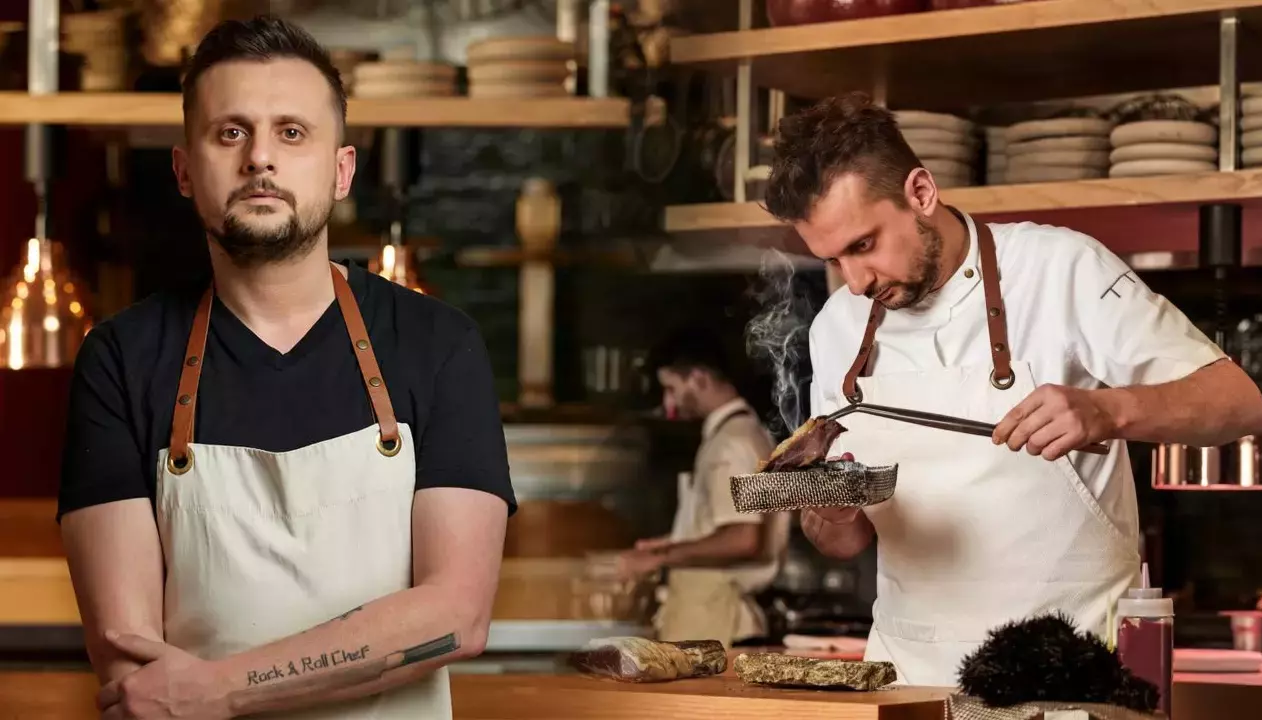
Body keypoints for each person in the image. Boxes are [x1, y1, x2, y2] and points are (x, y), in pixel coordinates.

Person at [56, 16, 515, 719]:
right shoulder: (120, 358)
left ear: (341, 170)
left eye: (291, 133)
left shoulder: (437, 344)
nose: (259, 159)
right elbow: (128, 659)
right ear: (185, 170)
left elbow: (456, 616)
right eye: (230, 132)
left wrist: (222, 689)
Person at [761, 92, 1262, 687]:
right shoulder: (838, 327)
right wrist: (829, 511)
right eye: (833, 259)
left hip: (1071, 675)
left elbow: (1240, 403)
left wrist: (1109, 409)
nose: (855, 280)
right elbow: (844, 541)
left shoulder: (1061, 269)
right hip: (908, 681)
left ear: (920, 193)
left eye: (864, 245)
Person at [617, 329, 790, 648]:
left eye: (671, 388)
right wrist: (665, 546)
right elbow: (725, 527)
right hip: (711, 624)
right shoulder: (743, 434)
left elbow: (744, 538)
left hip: (718, 628)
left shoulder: (731, 444)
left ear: (698, 378)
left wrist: (660, 558)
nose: (668, 403)